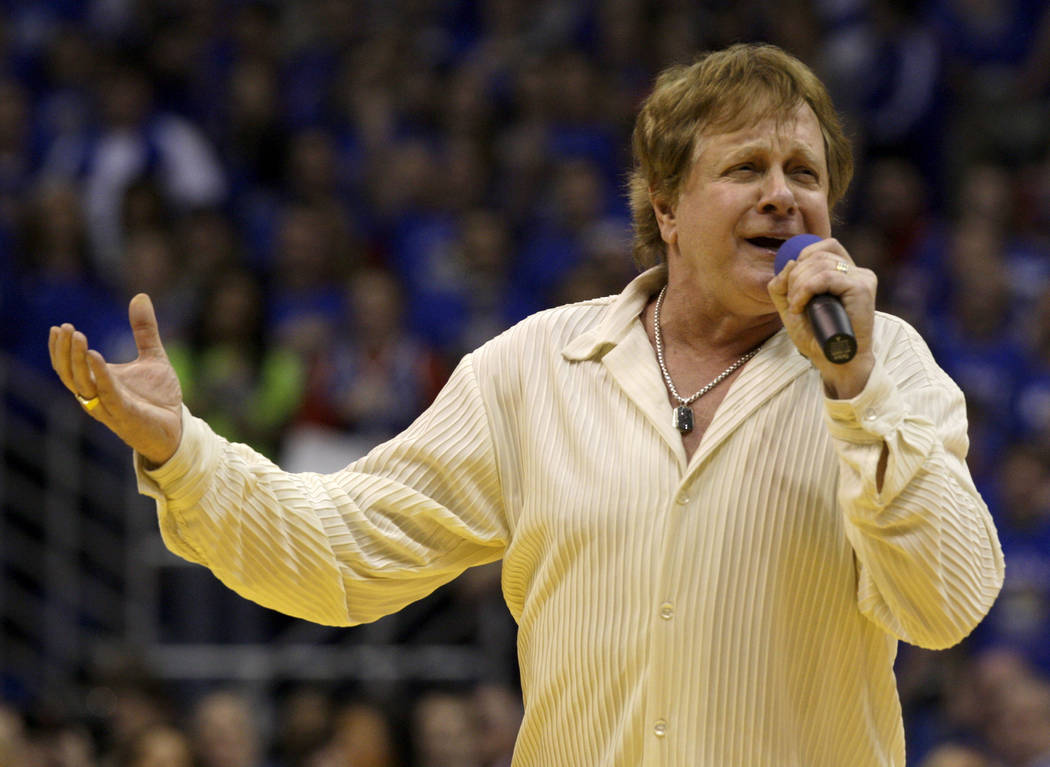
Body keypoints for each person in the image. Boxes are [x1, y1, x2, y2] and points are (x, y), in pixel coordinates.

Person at [48, 43, 1003, 766]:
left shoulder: (887, 369)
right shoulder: (535, 369)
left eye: (805, 173)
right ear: (666, 208)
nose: (784, 196)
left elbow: (947, 605)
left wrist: (853, 390)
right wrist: (184, 452)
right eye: (746, 168)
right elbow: (340, 553)